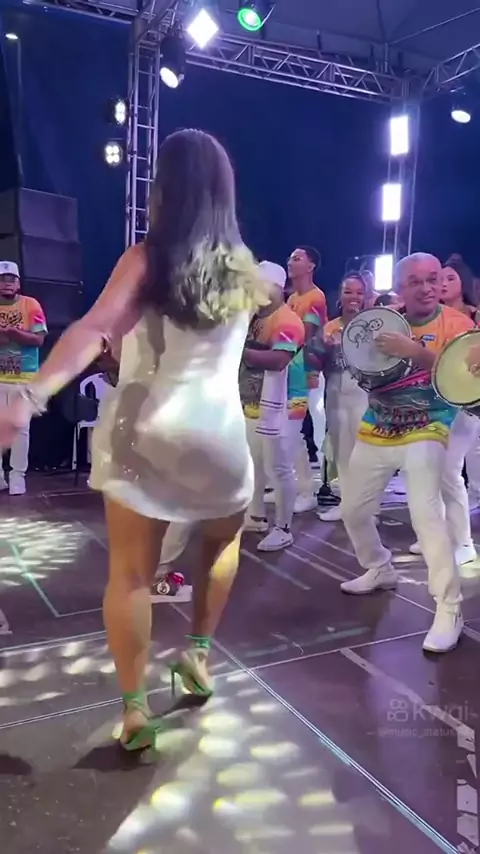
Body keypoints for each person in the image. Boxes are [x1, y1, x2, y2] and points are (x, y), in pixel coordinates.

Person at [0, 129, 267, 750]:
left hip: (148, 430)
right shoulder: (246, 267)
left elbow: (96, 329)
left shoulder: (147, 257)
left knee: (130, 576)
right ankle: (198, 654)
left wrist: (29, 398)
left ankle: (135, 711)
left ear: (164, 187)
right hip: (222, 434)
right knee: (221, 545)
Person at [340, 253, 473, 654]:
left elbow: (463, 375)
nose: (427, 288)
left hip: (429, 425)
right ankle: (379, 567)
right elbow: (362, 370)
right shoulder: (384, 320)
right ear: (400, 288)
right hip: (378, 425)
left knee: (426, 514)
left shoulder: (459, 325)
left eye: (433, 279)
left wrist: (414, 350)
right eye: (416, 282)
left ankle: (449, 608)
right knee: (353, 510)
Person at [241, 261, 306, 551]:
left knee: (279, 468)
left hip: (284, 405)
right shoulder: (255, 317)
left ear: (277, 288)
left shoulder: (287, 321)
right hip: (254, 404)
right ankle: (256, 516)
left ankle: (284, 527)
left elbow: (279, 360)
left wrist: (238, 352)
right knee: (254, 464)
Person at [317, 272, 368, 522]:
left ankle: (367, 510)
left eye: (359, 292)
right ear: (340, 295)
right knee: (341, 451)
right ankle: (347, 504)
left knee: (364, 454)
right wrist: (324, 349)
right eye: (348, 291)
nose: (354, 297)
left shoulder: (371, 325)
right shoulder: (330, 327)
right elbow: (318, 363)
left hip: (363, 395)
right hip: (335, 395)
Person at [0, 261, 47, 495]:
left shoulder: (31, 305)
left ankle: (17, 476)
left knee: (20, 429)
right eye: (2, 279)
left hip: (24, 377)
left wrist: (14, 333)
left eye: (11, 279)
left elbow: (38, 339)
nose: (6, 284)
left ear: (18, 283)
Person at [287, 246, 327, 511]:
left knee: (310, 432)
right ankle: (298, 487)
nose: (291, 262)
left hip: (309, 374)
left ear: (311, 266)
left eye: (297, 258)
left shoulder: (315, 297)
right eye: (291, 258)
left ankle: (314, 489)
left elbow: (306, 334)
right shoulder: (292, 299)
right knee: (292, 433)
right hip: (292, 374)